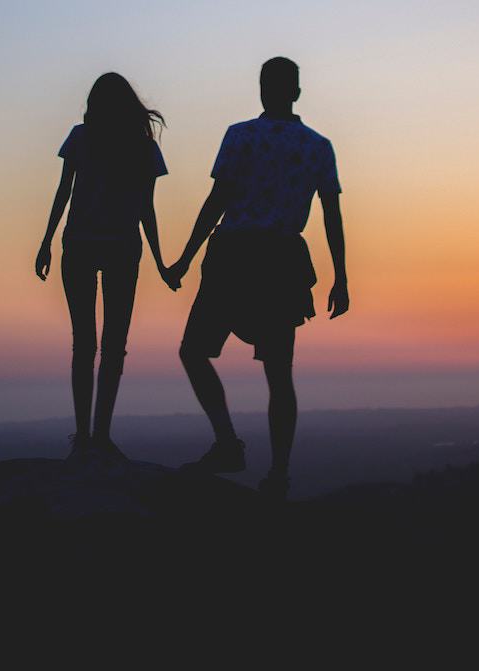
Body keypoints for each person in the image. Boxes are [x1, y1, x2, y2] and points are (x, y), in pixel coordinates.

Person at [165, 57, 349, 501]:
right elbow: (331, 216)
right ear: (297, 92)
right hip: (281, 260)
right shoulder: (317, 146)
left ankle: (228, 444)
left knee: (194, 351)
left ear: (263, 90)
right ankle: (279, 474)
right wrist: (341, 277)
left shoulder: (240, 135)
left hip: (233, 254)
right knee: (279, 374)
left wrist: (185, 258)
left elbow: (217, 201)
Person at [36, 72, 177, 462]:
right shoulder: (142, 148)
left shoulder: (81, 137)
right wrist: (162, 263)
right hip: (121, 247)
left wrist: (46, 241)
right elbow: (146, 209)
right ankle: (98, 435)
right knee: (113, 347)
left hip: (80, 244)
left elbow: (63, 192)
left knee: (85, 344)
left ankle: (85, 436)